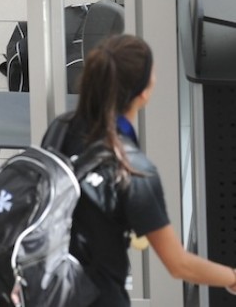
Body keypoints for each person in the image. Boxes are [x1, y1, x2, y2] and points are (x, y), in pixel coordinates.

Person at [45, 34, 236, 305]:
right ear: (143, 92)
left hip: (47, 288)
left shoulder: (62, 127)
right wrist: (231, 277)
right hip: (96, 297)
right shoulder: (132, 170)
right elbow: (178, 264)